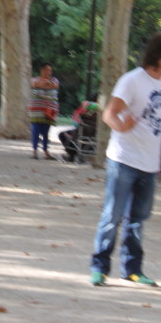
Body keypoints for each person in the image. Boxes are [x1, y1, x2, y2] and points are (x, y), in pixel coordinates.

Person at [89, 33, 161, 287]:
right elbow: (109, 113)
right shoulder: (132, 81)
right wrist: (121, 126)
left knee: (138, 220)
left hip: (150, 165)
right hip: (124, 160)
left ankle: (132, 270)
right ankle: (99, 268)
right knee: (113, 216)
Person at [29, 62, 59, 160]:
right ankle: (34, 151)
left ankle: (46, 151)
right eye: (47, 70)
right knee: (35, 131)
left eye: (50, 70)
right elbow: (35, 84)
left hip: (49, 111)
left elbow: (55, 86)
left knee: (46, 133)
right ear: (41, 70)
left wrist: (45, 84)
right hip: (36, 112)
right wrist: (46, 84)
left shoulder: (54, 80)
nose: (49, 72)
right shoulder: (34, 79)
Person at [58, 97, 99, 163]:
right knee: (72, 134)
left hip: (81, 135)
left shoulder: (85, 115)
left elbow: (76, 123)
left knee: (62, 134)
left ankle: (71, 155)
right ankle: (72, 155)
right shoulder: (102, 114)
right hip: (94, 137)